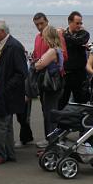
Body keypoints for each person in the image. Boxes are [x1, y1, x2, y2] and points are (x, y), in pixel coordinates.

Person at [0, 19, 27, 165]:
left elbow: (22, 73)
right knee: (4, 124)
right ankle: (8, 153)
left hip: (6, 93)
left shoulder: (14, 47)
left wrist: (6, 88)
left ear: (2, 31)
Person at [32, 12, 68, 144]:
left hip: (53, 78)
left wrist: (44, 62)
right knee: (46, 109)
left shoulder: (55, 36)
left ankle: (55, 139)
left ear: (47, 21)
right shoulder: (37, 37)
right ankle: (50, 138)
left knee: (51, 110)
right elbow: (36, 55)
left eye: (42, 23)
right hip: (43, 78)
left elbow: (63, 55)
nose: (40, 27)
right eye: (37, 25)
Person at [60, 11, 90, 108]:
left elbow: (78, 41)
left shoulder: (84, 34)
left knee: (81, 101)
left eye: (81, 23)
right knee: (62, 101)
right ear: (70, 22)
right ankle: (61, 122)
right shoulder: (63, 35)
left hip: (79, 74)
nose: (79, 25)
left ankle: (80, 122)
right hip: (66, 73)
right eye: (77, 23)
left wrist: (64, 35)